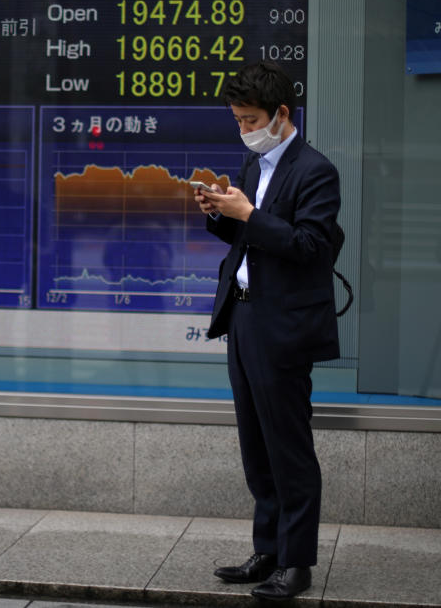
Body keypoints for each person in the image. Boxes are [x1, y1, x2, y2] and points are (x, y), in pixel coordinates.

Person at [194, 61, 341, 601]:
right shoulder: (254, 165)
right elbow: (249, 237)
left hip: (285, 327)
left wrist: (249, 215)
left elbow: (310, 247)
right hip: (245, 315)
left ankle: (296, 562)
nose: (243, 129)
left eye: (249, 118)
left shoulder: (316, 170)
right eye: (236, 119)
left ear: (281, 114)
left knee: (289, 447)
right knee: (256, 445)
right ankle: (267, 550)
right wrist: (220, 213)